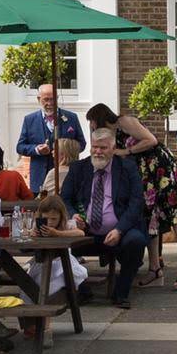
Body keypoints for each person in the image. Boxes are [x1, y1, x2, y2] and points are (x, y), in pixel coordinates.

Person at [86, 102, 177, 290]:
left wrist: (126, 151)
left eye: (92, 122)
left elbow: (151, 140)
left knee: (174, 213)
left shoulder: (124, 121)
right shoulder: (110, 134)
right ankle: (154, 270)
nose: (92, 126)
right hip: (144, 173)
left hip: (160, 167)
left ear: (100, 117)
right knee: (150, 216)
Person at [60, 128, 147, 308]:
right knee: (57, 247)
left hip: (119, 232)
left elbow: (136, 202)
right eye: (95, 147)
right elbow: (64, 198)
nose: (98, 152)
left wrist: (119, 230)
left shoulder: (127, 168)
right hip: (83, 232)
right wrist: (72, 214)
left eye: (103, 148)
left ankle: (120, 293)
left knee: (136, 240)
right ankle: (82, 290)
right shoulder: (78, 168)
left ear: (114, 148)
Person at [16, 83, 85, 194]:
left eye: (53, 99)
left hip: (66, 176)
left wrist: (65, 149)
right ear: (38, 99)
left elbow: (82, 143)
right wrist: (37, 150)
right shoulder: (29, 120)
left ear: (57, 98)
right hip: (39, 178)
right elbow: (20, 147)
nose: (49, 103)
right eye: (46, 99)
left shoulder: (71, 117)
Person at [29, 193, 89, 299]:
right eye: (47, 218)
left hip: (63, 259)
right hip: (43, 260)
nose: (50, 222)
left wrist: (58, 233)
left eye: (54, 219)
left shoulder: (66, 225)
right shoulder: (39, 225)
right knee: (37, 280)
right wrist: (34, 234)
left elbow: (81, 233)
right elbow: (29, 235)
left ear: (60, 217)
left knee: (67, 271)